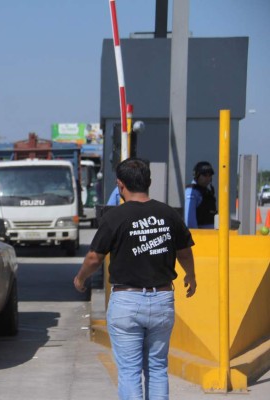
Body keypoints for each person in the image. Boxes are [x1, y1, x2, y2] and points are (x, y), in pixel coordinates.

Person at [73, 157, 197, 400]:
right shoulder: (168, 214)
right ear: (148, 182)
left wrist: (80, 279)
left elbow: (93, 258)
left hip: (127, 302)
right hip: (162, 298)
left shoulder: (115, 217)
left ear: (120, 185)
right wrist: (191, 276)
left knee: (130, 372)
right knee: (158, 369)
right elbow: (185, 252)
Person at [184, 161, 217, 229]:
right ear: (197, 175)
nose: (207, 178)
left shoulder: (206, 191)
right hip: (200, 235)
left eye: (210, 175)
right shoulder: (192, 192)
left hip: (210, 234)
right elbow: (190, 219)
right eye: (204, 175)